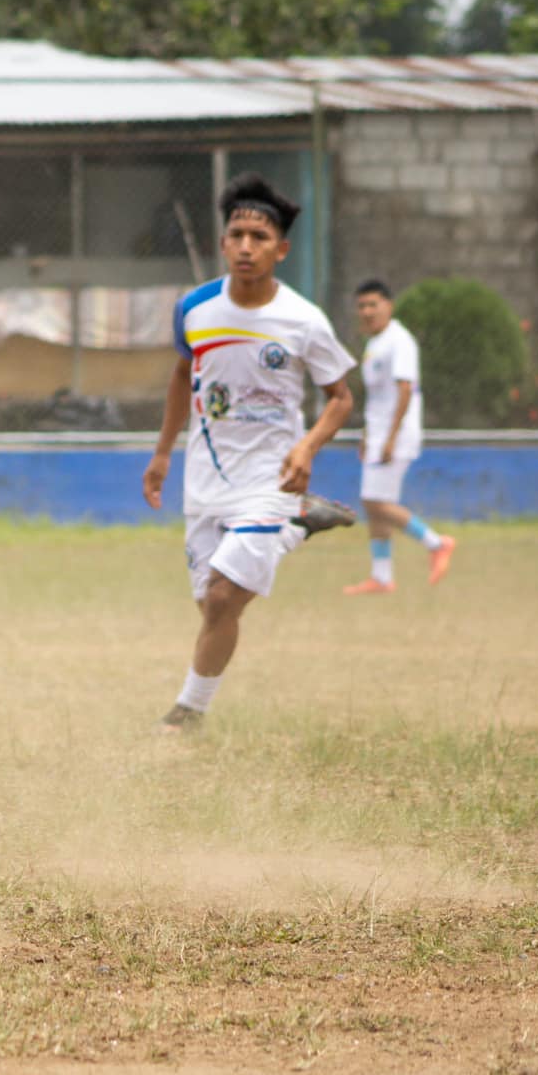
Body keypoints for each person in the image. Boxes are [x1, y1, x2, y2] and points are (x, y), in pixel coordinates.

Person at [142, 172, 356, 733]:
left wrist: (307, 447)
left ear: (281, 250)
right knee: (215, 607)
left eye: (259, 237)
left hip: (271, 479)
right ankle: (297, 526)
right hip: (206, 478)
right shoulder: (195, 309)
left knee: (221, 600)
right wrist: (162, 454)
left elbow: (341, 398)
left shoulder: (304, 320)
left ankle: (186, 714)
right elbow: (182, 376)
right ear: (222, 243)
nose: (245, 246)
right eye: (236, 235)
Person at [343, 279, 456, 594]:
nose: (367, 312)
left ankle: (437, 543)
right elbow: (378, 397)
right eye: (362, 306)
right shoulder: (374, 343)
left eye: (373, 305)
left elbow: (404, 390)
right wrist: (368, 434)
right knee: (376, 503)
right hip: (379, 433)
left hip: (397, 433)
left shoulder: (399, 341)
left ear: (389, 306)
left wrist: (391, 437)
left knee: (375, 501)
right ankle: (381, 577)